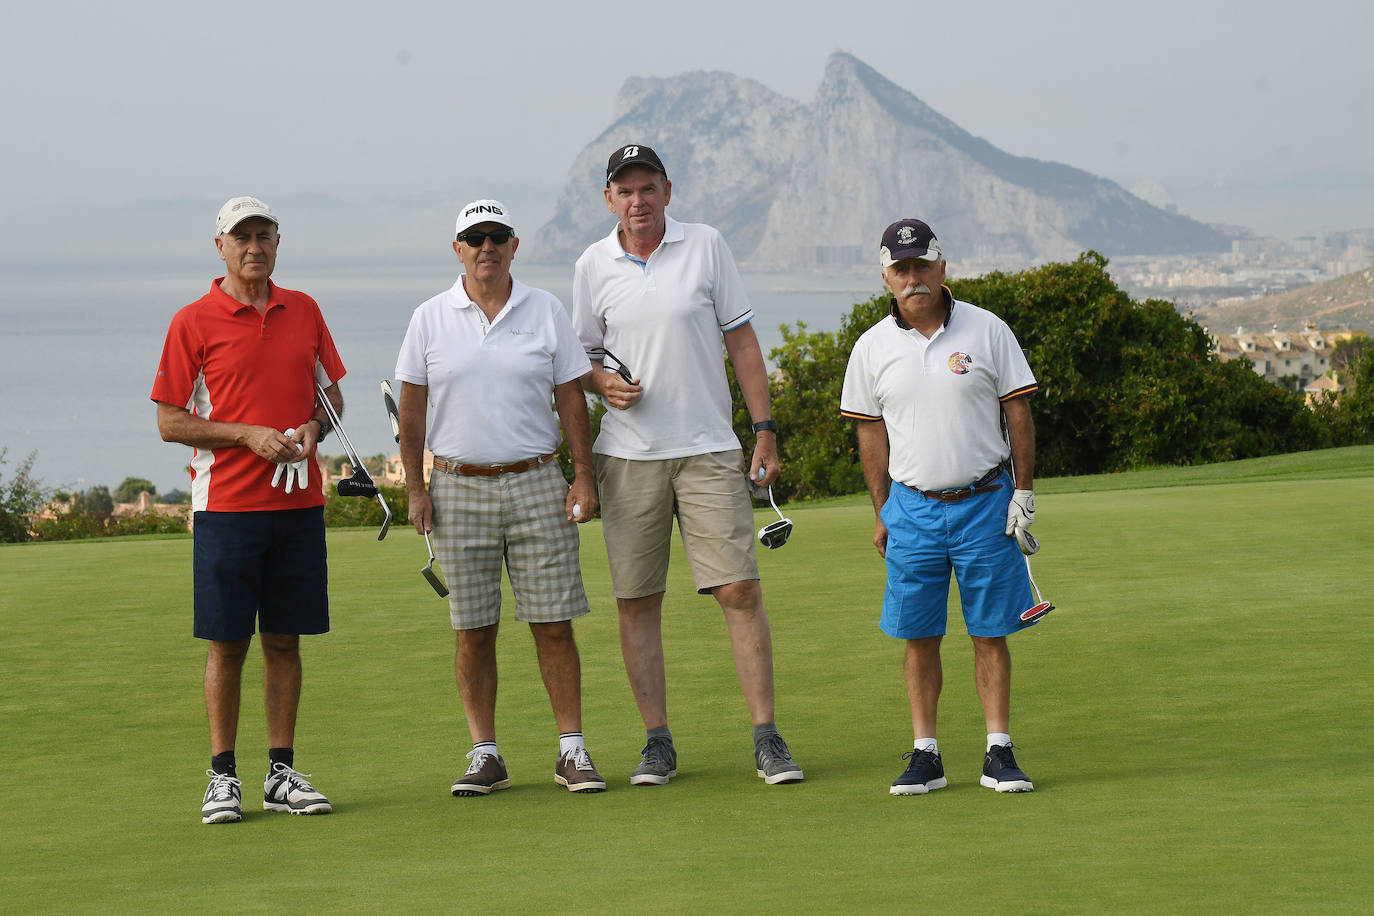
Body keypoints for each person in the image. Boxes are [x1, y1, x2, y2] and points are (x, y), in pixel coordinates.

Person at [572, 144, 803, 786]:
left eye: (648, 188)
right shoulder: (593, 264)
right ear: (609, 200)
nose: (637, 200)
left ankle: (767, 736)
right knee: (638, 602)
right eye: (625, 191)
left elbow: (742, 341)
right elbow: (581, 360)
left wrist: (764, 430)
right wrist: (603, 385)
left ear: (667, 191)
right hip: (627, 456)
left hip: (707, 447)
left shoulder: (706, 245)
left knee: (739, 590)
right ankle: (657, 742)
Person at [395, 199, 605, 796]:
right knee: (473, 629)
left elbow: (571, 397)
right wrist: (416, 489)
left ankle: (572, 750)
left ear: (515, 245)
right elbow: (412, 408)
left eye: (497, 236)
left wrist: (583, 476)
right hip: (458, 486)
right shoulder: (430, 318)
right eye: (474, 237)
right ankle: (484, 753)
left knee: (554, 623)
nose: (487, 246)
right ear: (457, 248)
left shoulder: (545, 310)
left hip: (539, 479)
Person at [152, 196, 344, 824]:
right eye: (242, 237)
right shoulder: (194, 321)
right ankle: (223, 776)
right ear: (221, 247)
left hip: (296, 502)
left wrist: (316, 426)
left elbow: (332, 395)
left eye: (264, 235)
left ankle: (282, 773)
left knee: (284, 641)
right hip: (227, 507)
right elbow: (170, 421)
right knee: (228, 644)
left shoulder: (305, 309)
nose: (254, 246)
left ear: (278, 242)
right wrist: (245, 435)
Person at [840, 218, 1041, 796]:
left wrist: (1023, 493)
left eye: (922, 266)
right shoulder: (871, 346)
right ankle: (925, 753)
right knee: (919, 634)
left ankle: (997, 750)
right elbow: (870, 435)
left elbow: (1018, 414)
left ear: (942, 267)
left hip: (986, 502)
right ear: (886, 279)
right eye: (901, 270)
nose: (914, 278)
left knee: (990, 631)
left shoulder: (987, 329)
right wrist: (882, 511)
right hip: (912, 508)